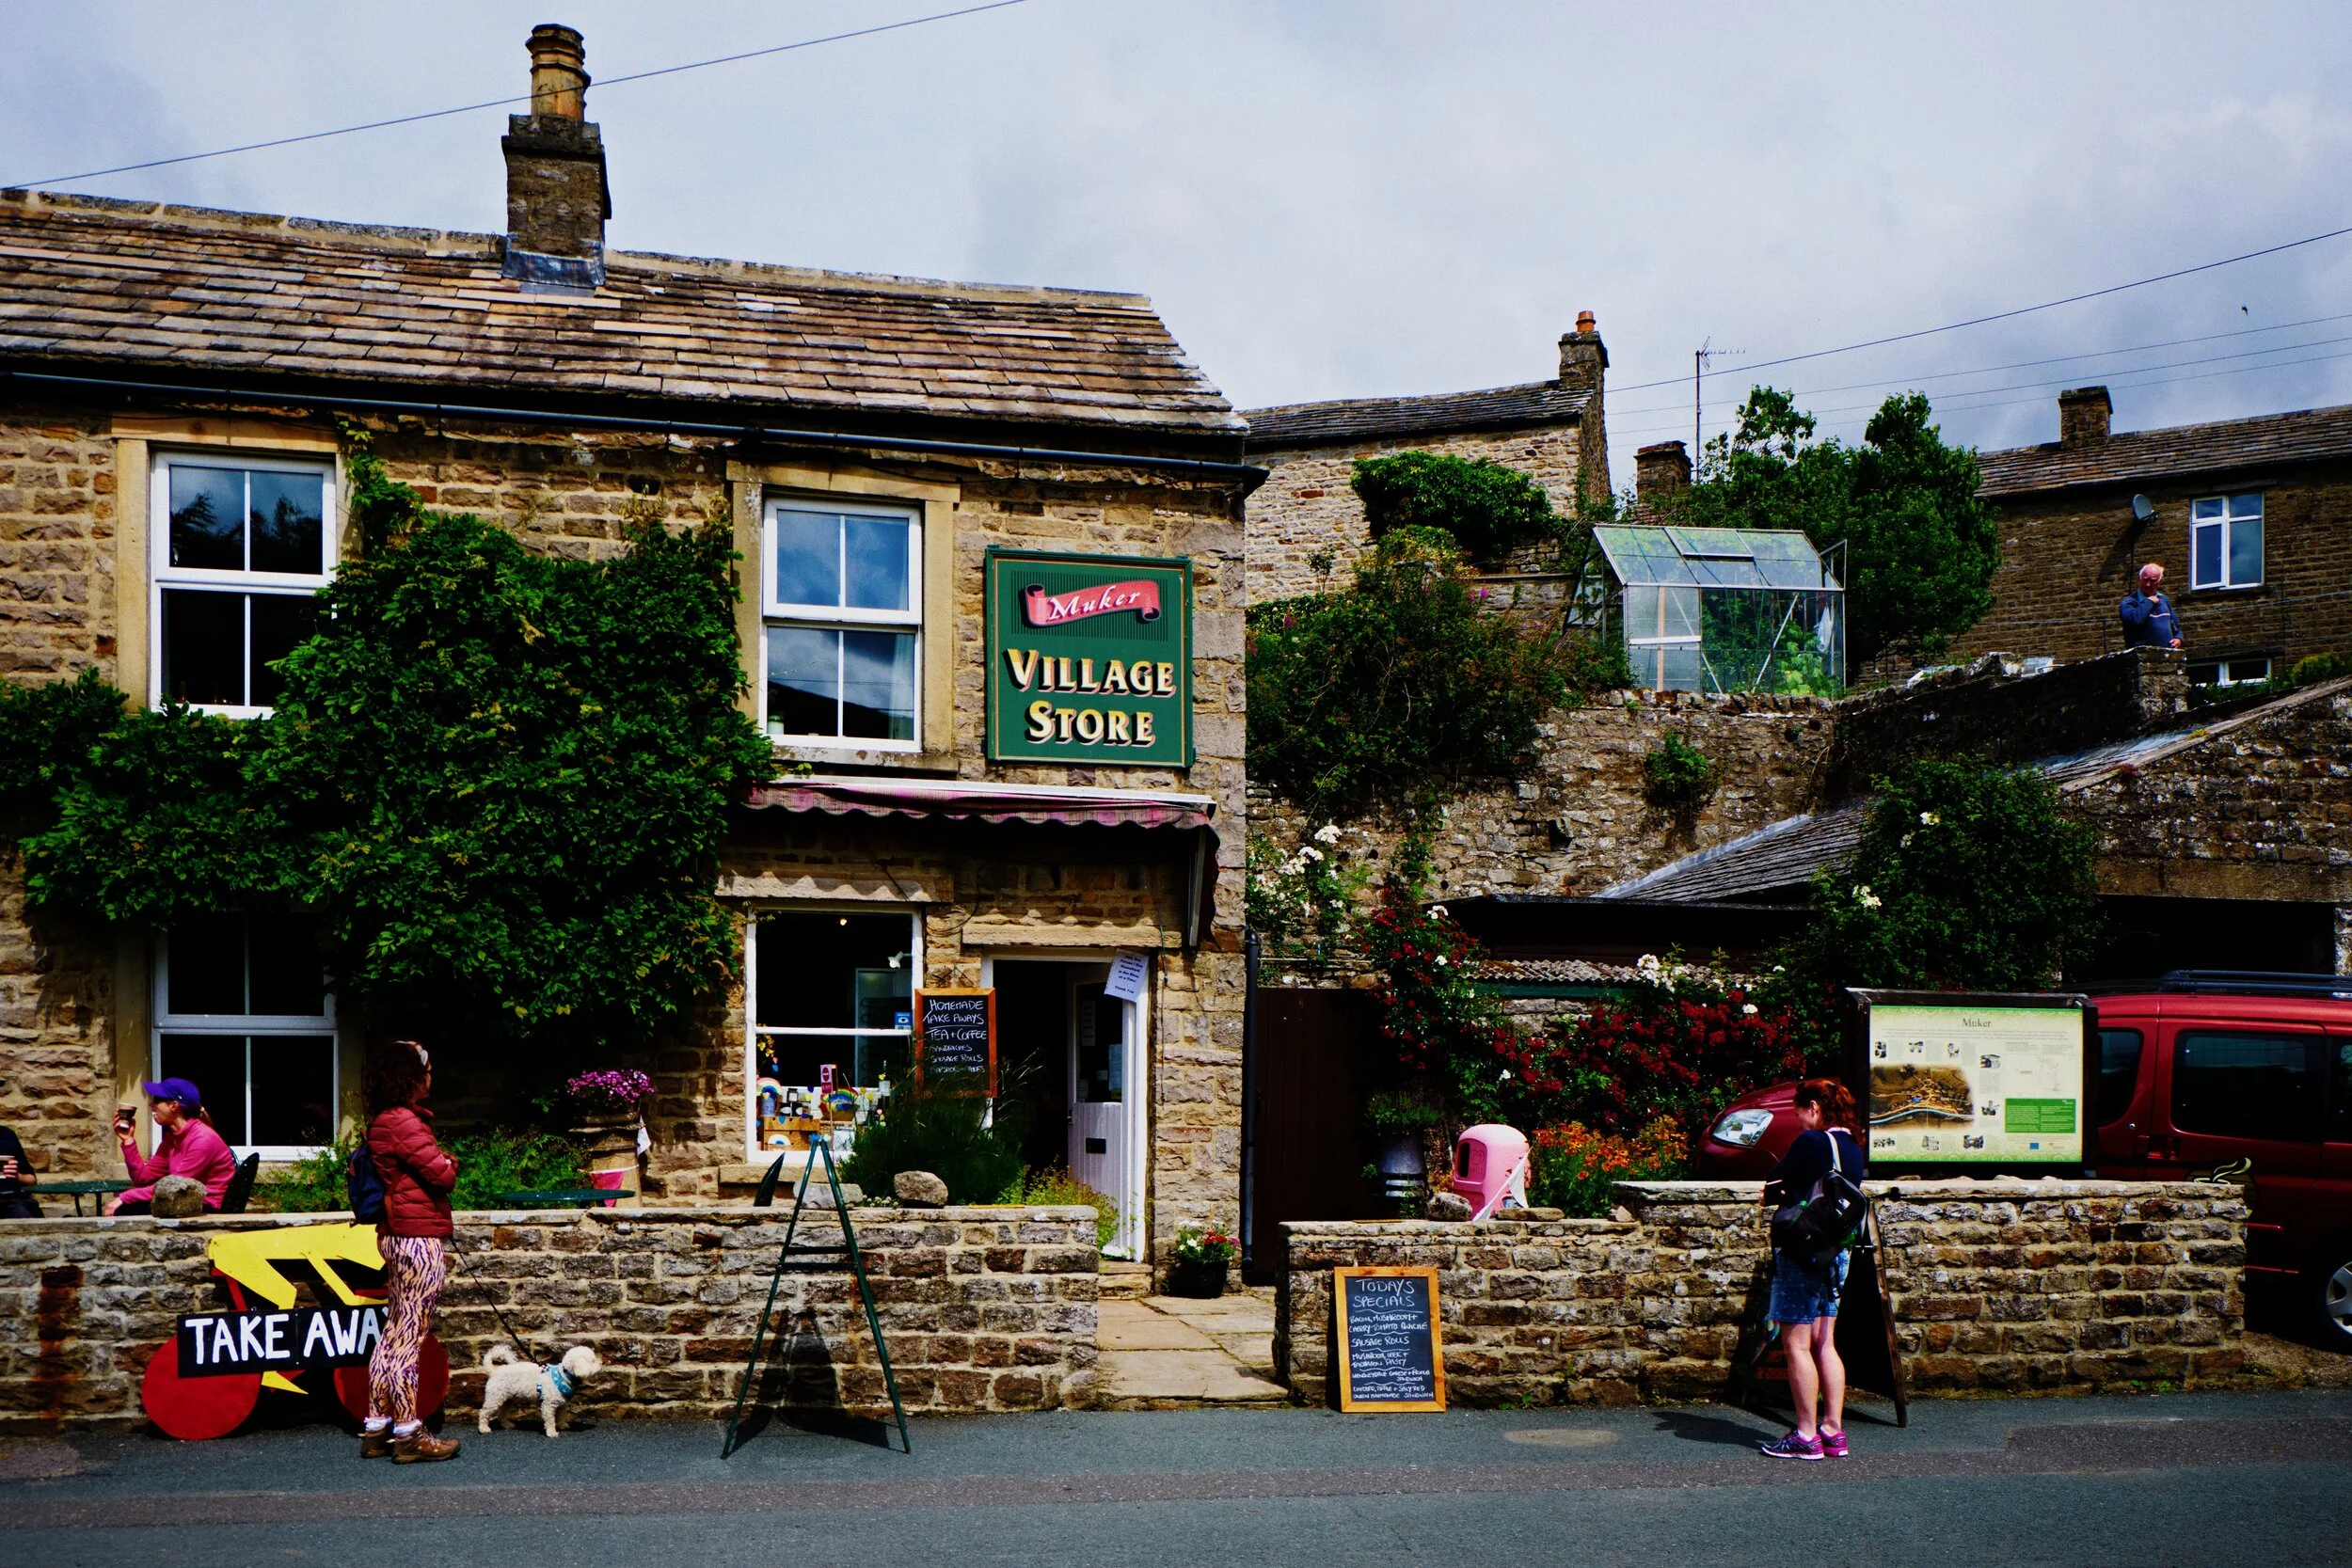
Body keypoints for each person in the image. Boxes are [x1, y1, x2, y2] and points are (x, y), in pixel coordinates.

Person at [360, 1038, 462, 1464]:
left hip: (397, 1233)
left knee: (392, 1332)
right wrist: (451, 1162)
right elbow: (441, 1175)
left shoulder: (384, 1120)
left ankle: (375, 1426)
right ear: (410, 1076)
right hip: (417, 1238)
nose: (431, 1076)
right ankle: (408, 1433)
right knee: (409, 1337)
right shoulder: (404, 1122)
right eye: (427, 1069)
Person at [1757, 1078, 1867, 1461]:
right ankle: (1833, 1432)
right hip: (1837, 1251)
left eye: (1800, 1112)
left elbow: (1775, 1183)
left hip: (1802, 1250)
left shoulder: (1811, 1142)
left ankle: (1805, 1435)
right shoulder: (1854, 1148)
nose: (1800, 1121)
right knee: (1825, 1341)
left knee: (1797, 1343)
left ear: (1815, 1108)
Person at [106, 1079, 236, 1215]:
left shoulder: (202, 1140)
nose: (151, 1105)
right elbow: (142, 1178)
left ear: (173, 1105)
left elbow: (174, 1186)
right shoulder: (172, 1139)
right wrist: (128, 1140)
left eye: (156, 1100)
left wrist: (125, 1197)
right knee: (125, 1209)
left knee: (124, 1210)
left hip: (207, 1206)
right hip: (181, 1201)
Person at [2119, 562, 2184, 650]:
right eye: (2145, 580)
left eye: (2153, 581)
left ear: (2160, 582)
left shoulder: (2164, 600)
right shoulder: (2128, 603)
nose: (2148, 584)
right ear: (2139, 579)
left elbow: (2175, 625)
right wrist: (2149, 602)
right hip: (2143, 656)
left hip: (2166, 655)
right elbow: (2135, 620)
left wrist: (2178, 638)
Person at [0, 1114, 40, 1219]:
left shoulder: (7, 1135)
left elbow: (32, 1180)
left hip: (10, 1201)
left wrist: (17, 1176)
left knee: (31, 1224)